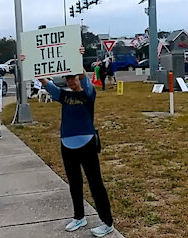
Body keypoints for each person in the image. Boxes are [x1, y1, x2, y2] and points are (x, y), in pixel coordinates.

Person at [20, 46, 115, 237]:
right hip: (67, 144)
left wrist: (77, 55)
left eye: (74, 78)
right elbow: (45, 82)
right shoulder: (63, 95)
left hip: (87, 142)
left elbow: (83, 74)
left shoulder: (88, 93)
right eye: (68, 79)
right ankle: (79, 217)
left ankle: (107, 222)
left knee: (95, 183)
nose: (71, 81)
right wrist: (28, 62)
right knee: (74, 182)